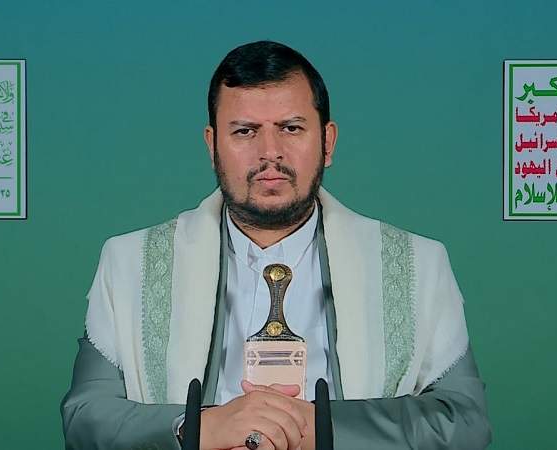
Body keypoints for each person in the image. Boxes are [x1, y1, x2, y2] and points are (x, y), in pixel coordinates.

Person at [61, 40, 492, 450]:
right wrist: (201, 428)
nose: (270, 152)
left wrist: (314, 428)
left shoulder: (417, 265)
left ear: (327, 142)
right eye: (245, 131)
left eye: (291, 128)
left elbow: (465, 420)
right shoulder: (130, 263)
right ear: (213, 146)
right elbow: (86, 418)